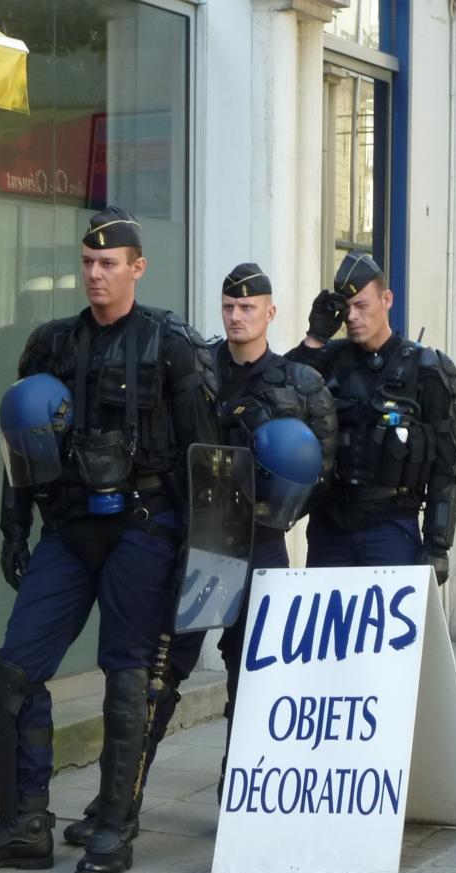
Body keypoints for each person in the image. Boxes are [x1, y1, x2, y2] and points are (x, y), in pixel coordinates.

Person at [0, 207, 220, 873]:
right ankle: (24, 826)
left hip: (142, 528)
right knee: (12, 674)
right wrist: (15, 526)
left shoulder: (171, 346)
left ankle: (114, 827)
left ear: (137, 268)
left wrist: (200, 555)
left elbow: (206, 457)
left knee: (128, 677)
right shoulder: (51, 345)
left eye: (109, 264)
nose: (95, 275)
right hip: (68, 529)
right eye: (88, 264)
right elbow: (19, 441)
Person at [61, 262, 337, 843]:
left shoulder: (299, 384)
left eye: (248, 308)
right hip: (198, 542)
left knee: (255, 676)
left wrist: (280, 510)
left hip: (260, 543)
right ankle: (120, 802)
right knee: (160, 673)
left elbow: (319, 470)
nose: (237, 317)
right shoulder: (194, 365)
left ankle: (245, 798)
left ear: (270, 312)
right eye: (229, 307)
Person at [287, 252, 456, 580]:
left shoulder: (425, 369)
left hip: (391, 526)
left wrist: (438, 545)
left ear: (387, 299)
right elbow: (282, 398)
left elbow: (447, 464)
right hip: (330, 526)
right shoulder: (327, 361)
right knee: (330, 629)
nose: (352, 316)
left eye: (362, 305)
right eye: (346, 308)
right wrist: (314, 340)